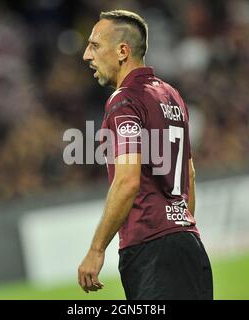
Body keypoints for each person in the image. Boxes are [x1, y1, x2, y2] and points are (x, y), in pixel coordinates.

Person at [78, 9, 213, 300]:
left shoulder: (124, 99)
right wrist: (178, 227)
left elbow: (127, 181)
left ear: (122, 51)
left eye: (95, 46)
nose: (87, 55)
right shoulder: (171, 95)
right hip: (189, 245)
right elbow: (188, 174)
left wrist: (96, 249)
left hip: (151, 251)